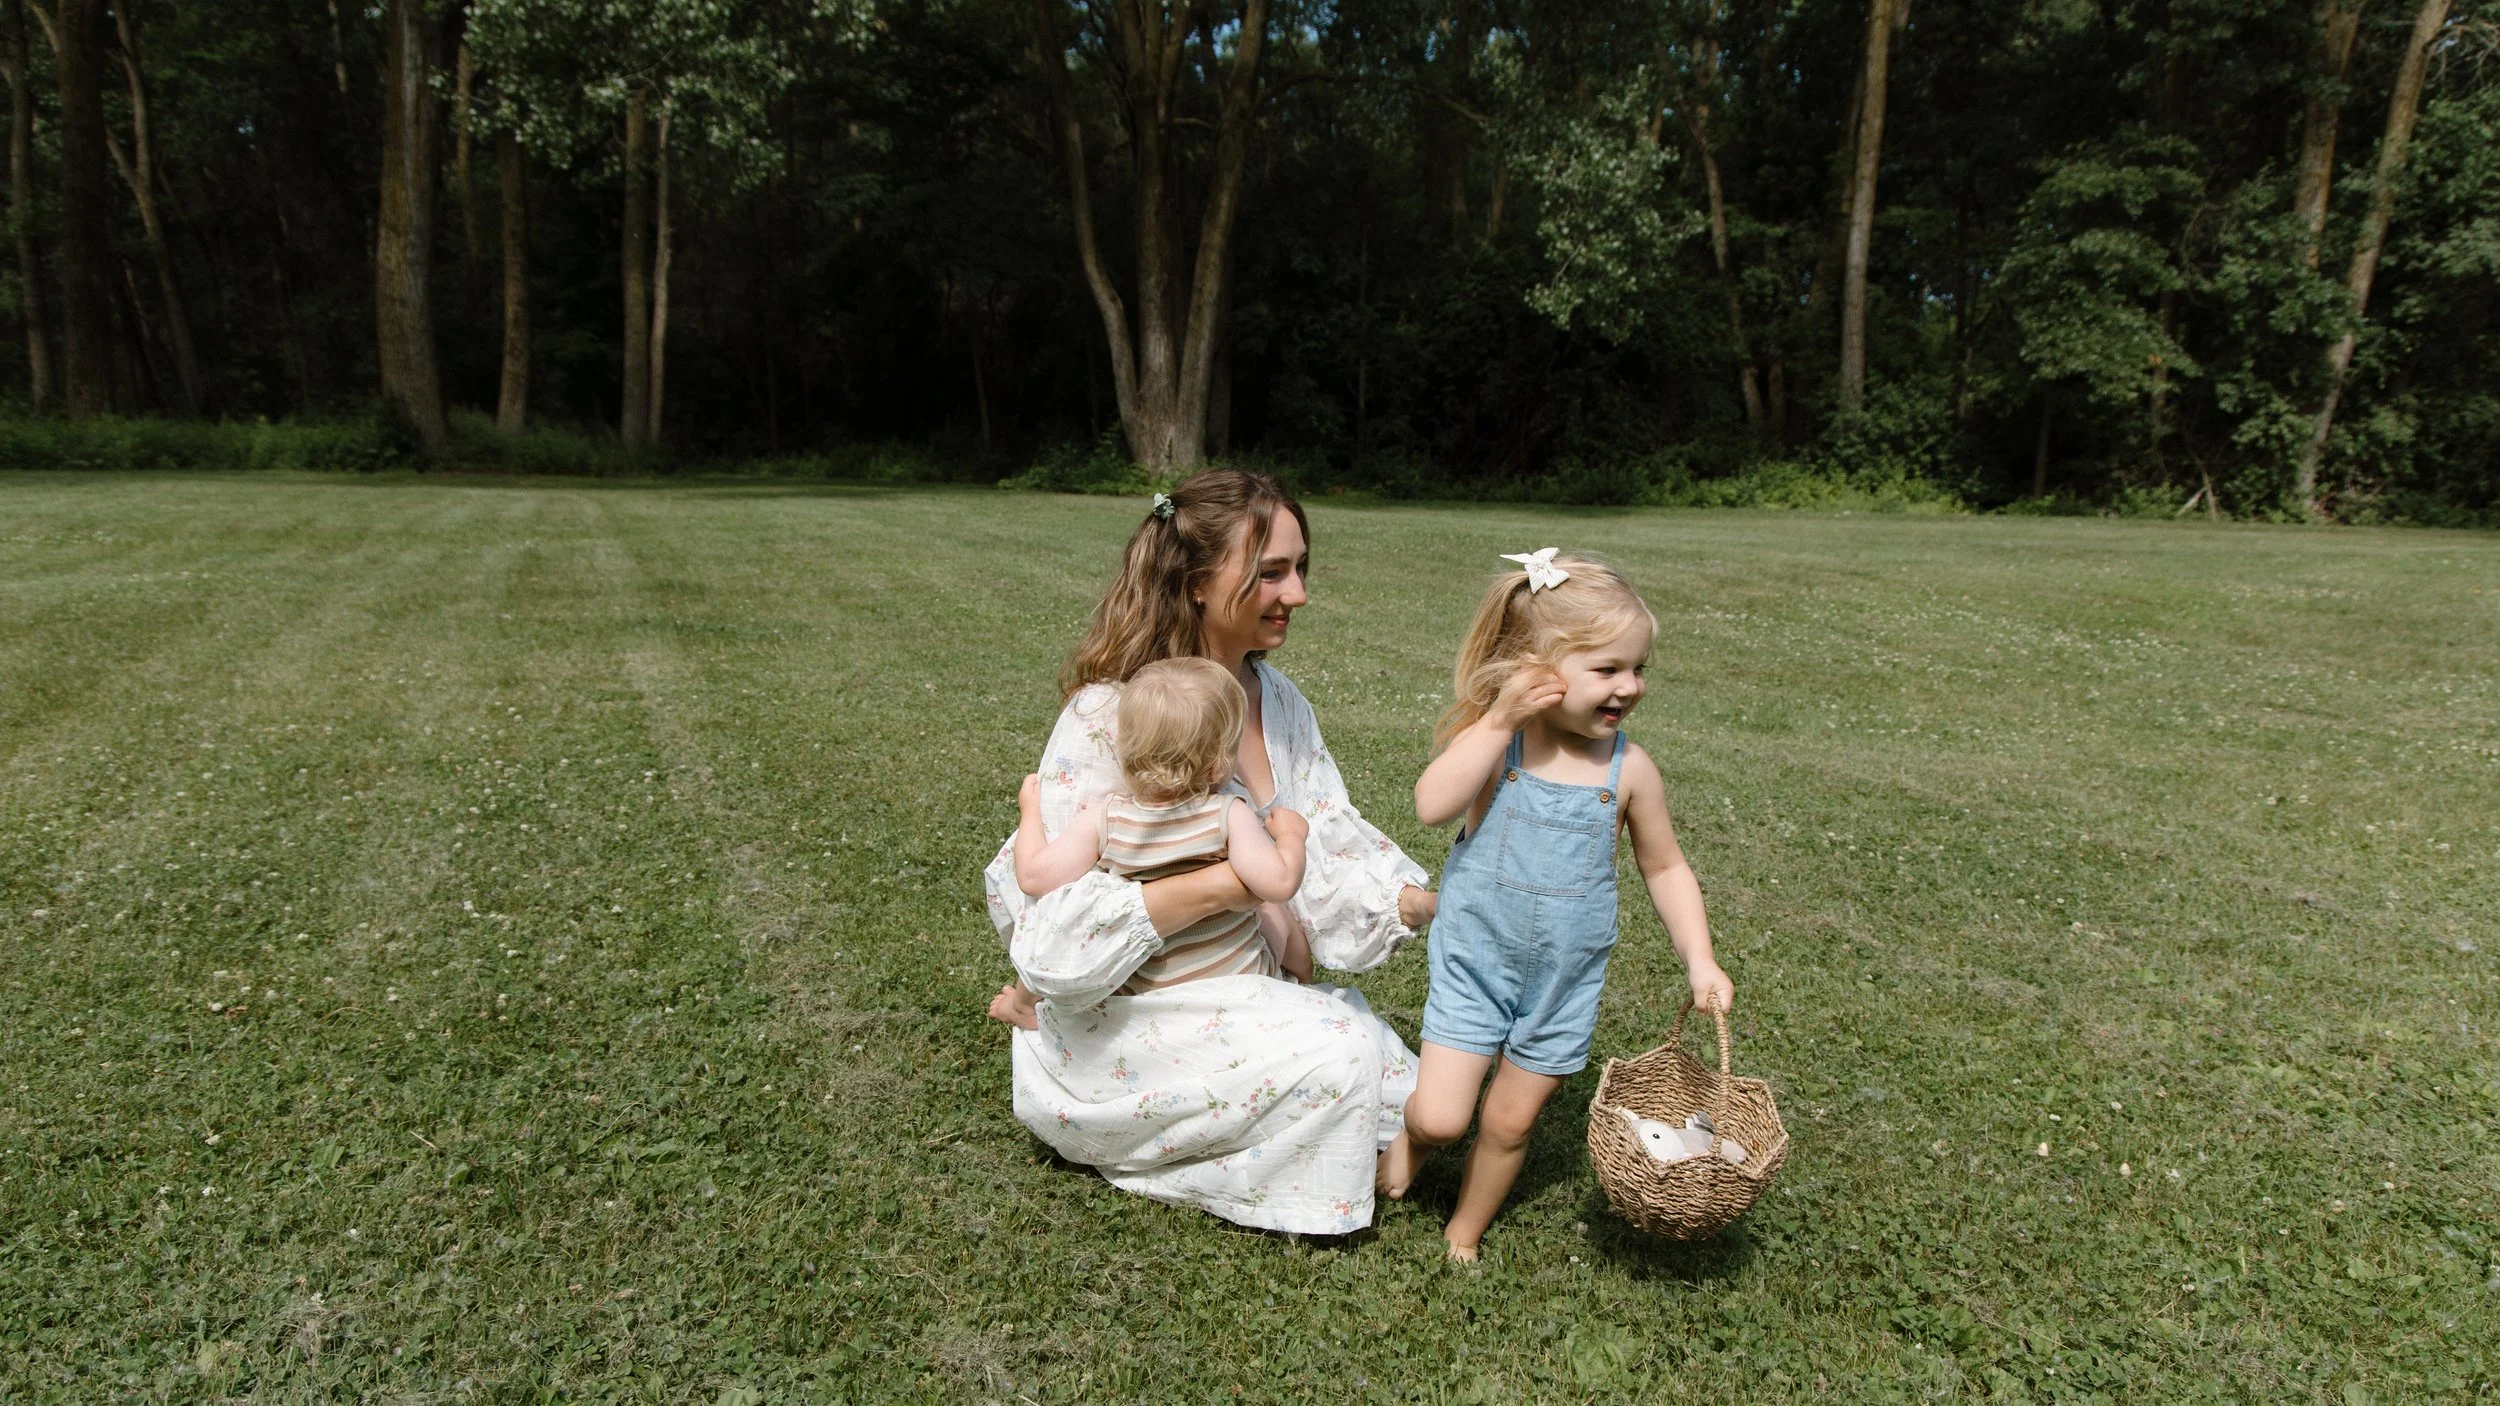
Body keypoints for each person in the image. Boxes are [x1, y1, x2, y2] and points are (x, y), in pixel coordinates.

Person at [983, 469, 1438, 1236]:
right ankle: (1113, 1117)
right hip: (1132, 1016)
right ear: (1195, 582)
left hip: (1244, 992)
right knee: (1345, 1062)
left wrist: (1428, 903)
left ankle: (1269, 1117)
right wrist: (1230, 885)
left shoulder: (1281, 704)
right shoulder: (1111, 714)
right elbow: (1049, 927)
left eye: (1300, 569)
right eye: (1270, 573)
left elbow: (1324, 844)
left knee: (1412, 1091)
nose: (1297, 594)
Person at [1378, 549, 1735, 1260]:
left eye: (1638, 669)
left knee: (1509, 1124)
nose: (1628, 686)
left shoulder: (1628, 770)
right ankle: (1414, 1138)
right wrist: (1495, 720)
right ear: (1538, 670)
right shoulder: (1499, 744)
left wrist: (1700, 958)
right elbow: (1429, 805)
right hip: (1478, 960)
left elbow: (1663, 866)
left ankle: (1463, 1235)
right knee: (1448, 1117)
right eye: (1607, 669)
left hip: (1562, 984)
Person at [989, 657, 1312, 1031]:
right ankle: (1305, 984)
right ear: (1218, 765)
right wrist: (1291, 835)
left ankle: (1021, 1004)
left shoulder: (1106, 820)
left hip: (1147, 1004)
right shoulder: (1227, 814)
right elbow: (1281, 881)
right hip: (1237, 991)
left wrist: (1031, 811)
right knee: (1276, 914)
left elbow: (1031, 876)